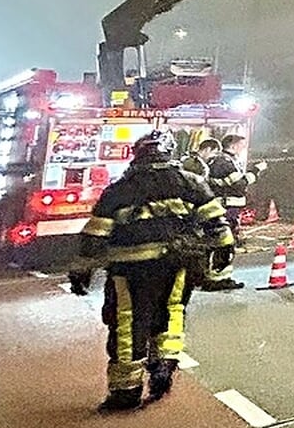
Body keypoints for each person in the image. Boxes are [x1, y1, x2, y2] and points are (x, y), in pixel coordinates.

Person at [69, 131, 233, 411]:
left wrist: (82, 269)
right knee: (172, 312)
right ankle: (164, 367)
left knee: (127, 322)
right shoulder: (190, 182)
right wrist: (223, 250)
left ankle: (125, 392)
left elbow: (96, 235)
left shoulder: (120, 189)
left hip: (130, 269)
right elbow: (216, 221)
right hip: (178, 263)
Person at [198, 134, 257, 291]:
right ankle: (217, 278)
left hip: (226, 208)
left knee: (219, 242)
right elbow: (239, 185)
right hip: (225, 208)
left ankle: (211, 276)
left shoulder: (223, 161)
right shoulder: (224, 162)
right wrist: (255, 172)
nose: (243, 148)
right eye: (241, 145)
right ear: (233, 145)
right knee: (223, 243)